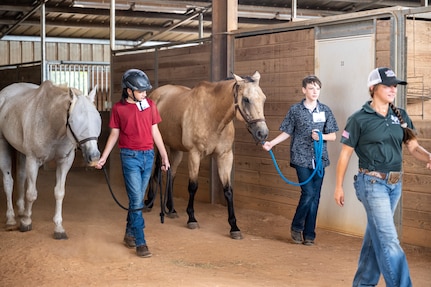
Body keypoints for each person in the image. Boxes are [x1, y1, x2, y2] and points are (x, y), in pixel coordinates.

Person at [334, 67, 431, 286]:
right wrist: (338, 186)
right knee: (389, 240)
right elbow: (345, 154)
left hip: (395, 183)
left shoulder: (401, 115)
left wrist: (428, 156)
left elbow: (413, 146)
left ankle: (363, 283)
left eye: (394, 86)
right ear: (373, 88)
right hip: (371, 183)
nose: (392, 89)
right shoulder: (358, 119)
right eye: (387, 85)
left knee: (375, 236)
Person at [95, 69, 171, 258]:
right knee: (137, 201)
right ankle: (140, 241)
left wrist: (164, 155)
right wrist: (103, 156)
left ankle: (129, 233)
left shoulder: (150, 105)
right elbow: (114, 134)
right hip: (129, 157)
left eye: (145, 91)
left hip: (148, 156)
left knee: (136, 199)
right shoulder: (118, 109)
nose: (145, 94)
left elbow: (155, 131)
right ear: (129, 91)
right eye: (141, 91)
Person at [262, 75, 338, 246]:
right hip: (300, 157)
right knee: (308, 193)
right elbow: (287, 131)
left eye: (317, 88)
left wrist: (321, 136)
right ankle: (297, 226)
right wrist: (271, 143)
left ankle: (309, 234)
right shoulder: (295, 110)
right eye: (311, 88)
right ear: (304, 90)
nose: (315, 92)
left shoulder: (325, 110)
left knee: (315, 196)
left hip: (319, 159)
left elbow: (333, 135)